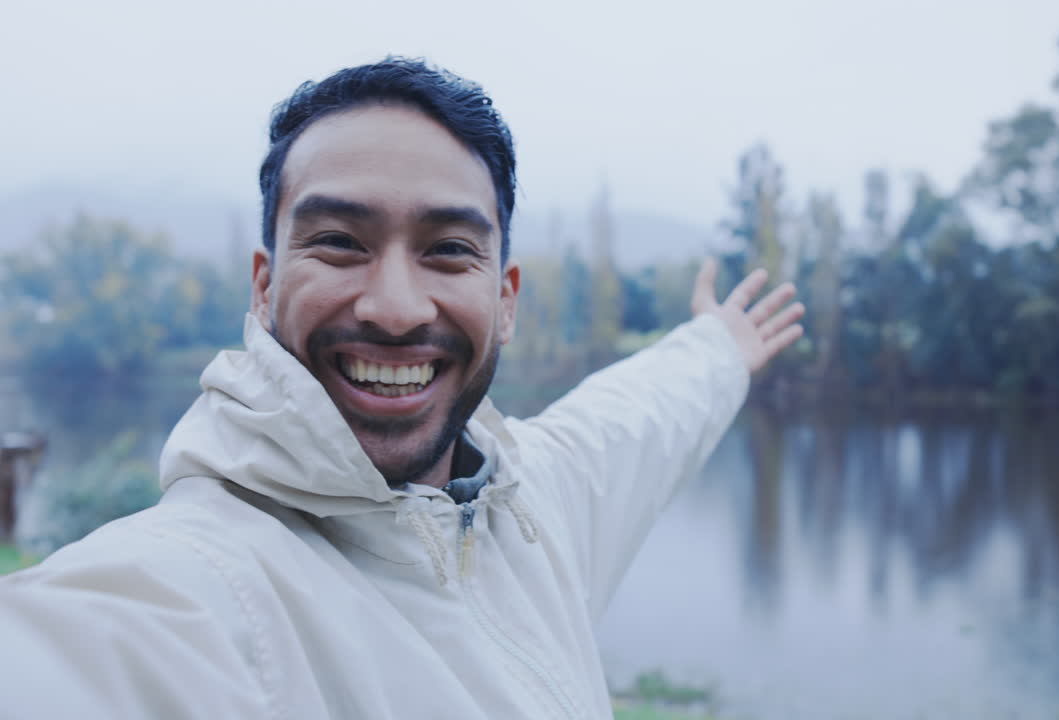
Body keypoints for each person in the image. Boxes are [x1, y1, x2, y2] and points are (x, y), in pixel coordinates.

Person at [0, 57, 803, 719]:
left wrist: (719, 347)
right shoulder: (196, 590)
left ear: (506, 299)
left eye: (449, 249)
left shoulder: (532, 510)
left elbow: (637, 417)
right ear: (263, 284)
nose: (393, 307)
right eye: (340, 242)